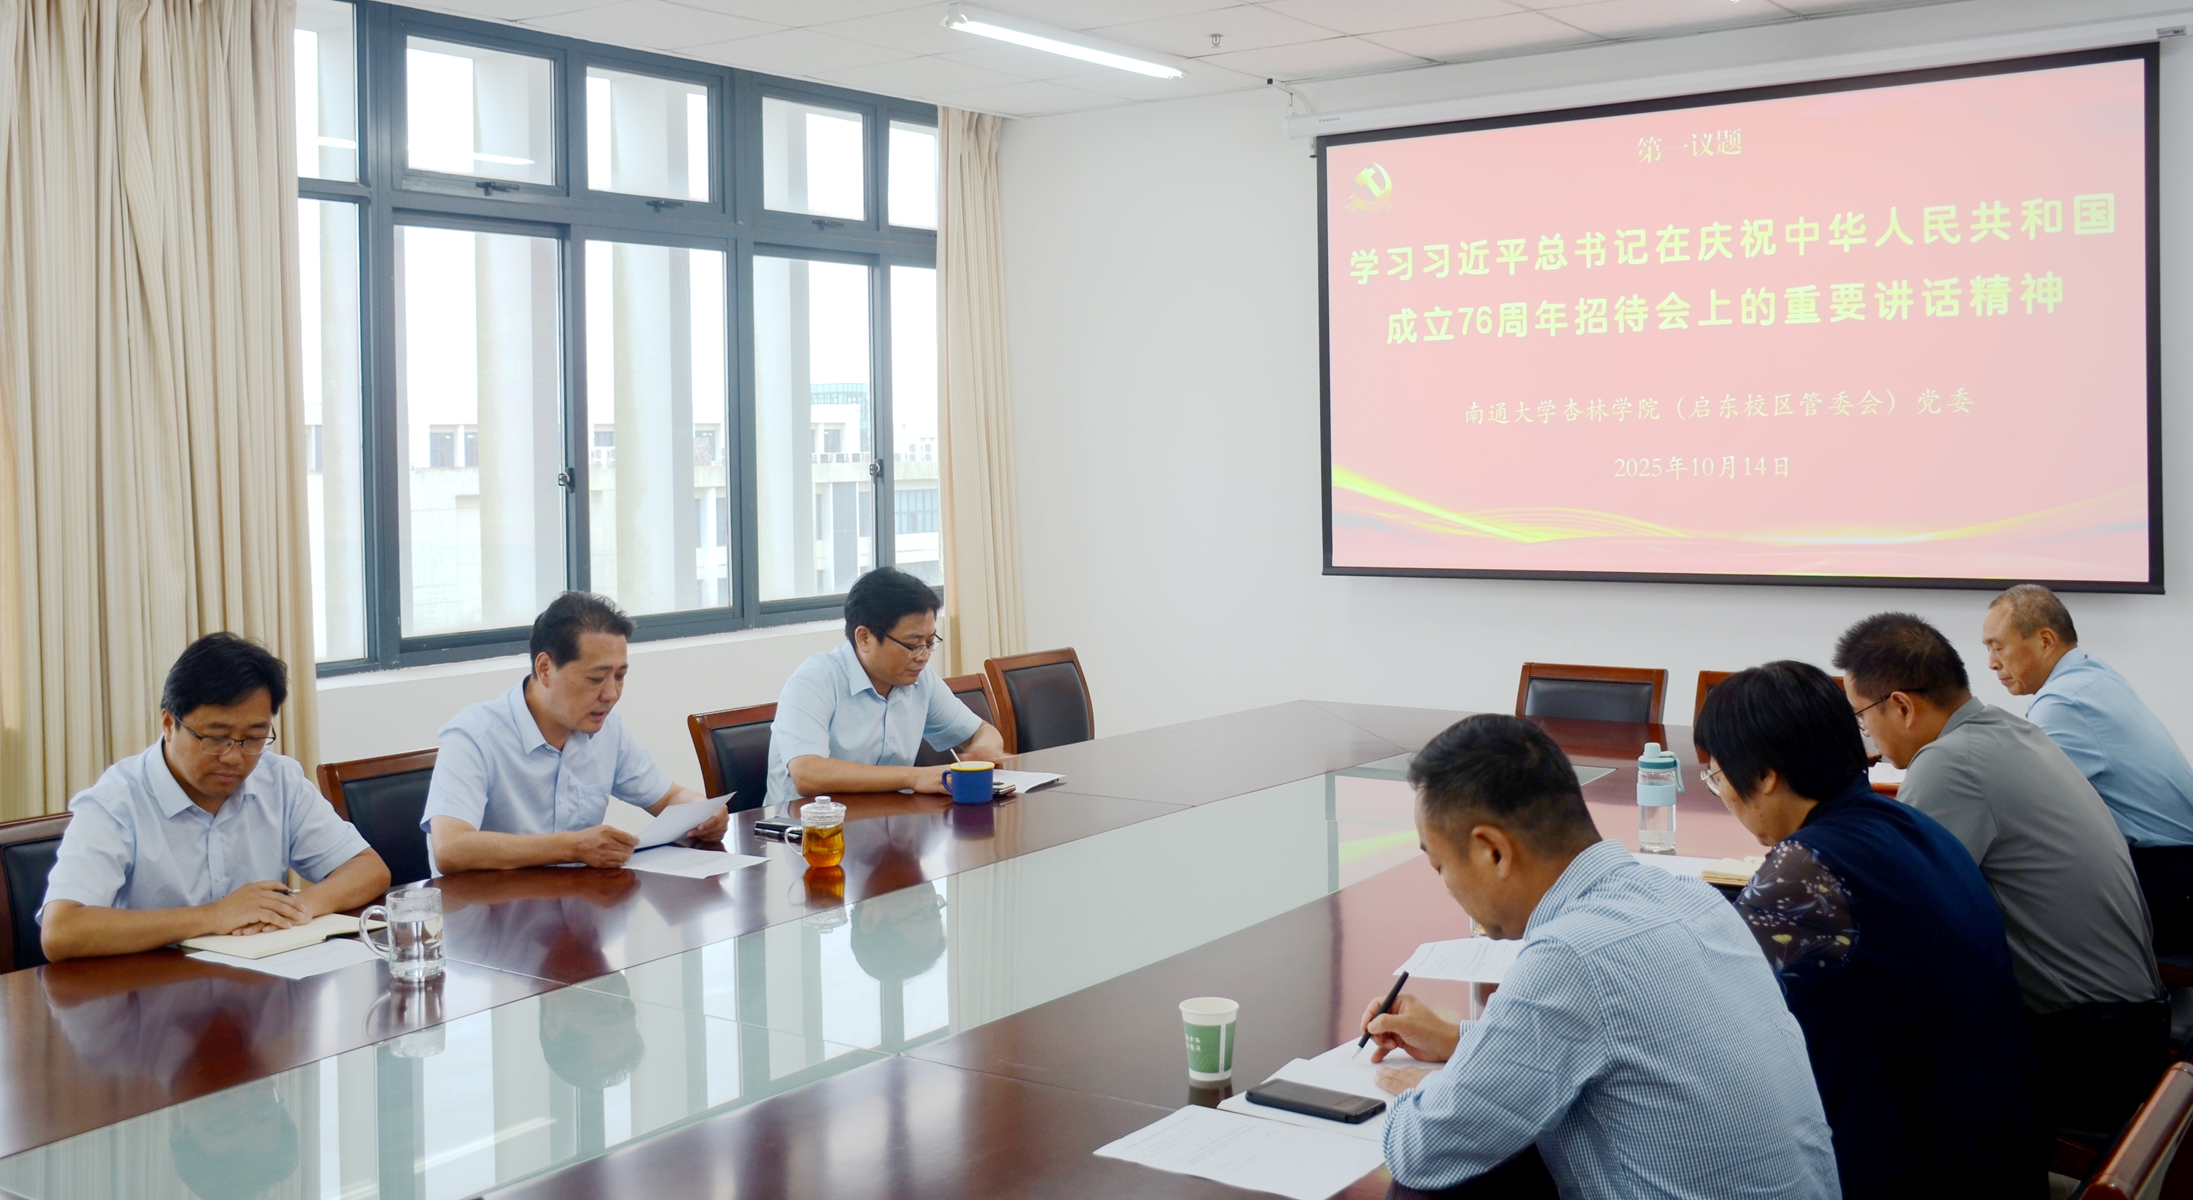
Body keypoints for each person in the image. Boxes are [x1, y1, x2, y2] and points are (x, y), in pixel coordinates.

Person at [1362, 714, 1838, 1199]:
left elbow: (1424, 1150)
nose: (1445, 887)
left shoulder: (1570, 955)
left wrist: (1426, 1094)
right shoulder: (1693, 898)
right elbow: (1619, 1043)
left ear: (1493, 852)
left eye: (1440, 865)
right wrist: (1459, 1041)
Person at [1695, 661, 2043, 1198]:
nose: (1722, 793)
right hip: (1998, 1146)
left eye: (1717, 776)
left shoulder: (1808, 869)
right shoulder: (1907, 823)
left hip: (1917, 1166)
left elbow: (1711, 1017)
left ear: (1764, 776)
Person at [1834, 612, 2164, 1138]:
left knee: (1862, 1045)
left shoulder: (1947, 764)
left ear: (1901, 706)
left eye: (1861, 716)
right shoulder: (2011, 731)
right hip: (2133, 1024)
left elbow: (1899, 922)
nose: (1865, 733)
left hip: (2086, 1048)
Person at [39, 633, 391, 961]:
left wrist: (300, 906)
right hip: (152, 988)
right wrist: (213, 916)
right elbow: (62, 931)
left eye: (253, 738)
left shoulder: (278, 779)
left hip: (263, 982)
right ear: (168, 724)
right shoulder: (115, 803)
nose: (234, 757)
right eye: (215, 737)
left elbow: (368, 869)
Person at [423, 592, 728, 873]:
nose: (611, 694)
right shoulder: (474, 736)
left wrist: (703, 813)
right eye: (595, 679)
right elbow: (450, 848)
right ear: (545, 668)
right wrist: (571, 847)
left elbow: (671, 796)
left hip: (576, 905)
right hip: (490, 909)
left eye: (620, 676)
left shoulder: (608, 729)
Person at [1983, 584, 2193, 954]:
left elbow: (2021, 809)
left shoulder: (2062, 702)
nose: (1992, 663)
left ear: (2045, 641)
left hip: (2168, 883)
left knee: (2000, 894)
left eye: (1998, 647)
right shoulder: (2093, 674)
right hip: (2177, 867)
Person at [765, 568, 1005, 806]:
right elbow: (807, 774)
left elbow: (981, 732)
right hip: (804, 825)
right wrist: (912, 777)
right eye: (912, 645)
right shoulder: (814, 681)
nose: (923, 656)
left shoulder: (921, 681)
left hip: (886, 819)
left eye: (930, 642)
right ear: (864, 638)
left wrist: (984, 749)